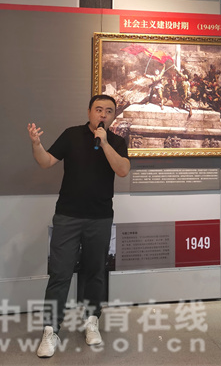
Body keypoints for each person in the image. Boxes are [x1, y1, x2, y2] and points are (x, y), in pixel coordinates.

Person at [28, 94, 130, 358]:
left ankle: (91, 321)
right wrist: (36, 144)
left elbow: (122, 170)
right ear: (89, 112)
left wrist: (104, 143)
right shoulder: (71, 135)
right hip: (68, 216)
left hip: (100, 217)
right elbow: (46, 161)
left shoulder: (117, 141)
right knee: (60, 273)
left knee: (95, 272)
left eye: (109, 111)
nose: (103, 115)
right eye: (99, 110)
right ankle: (51, 329)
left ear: (114, 116)